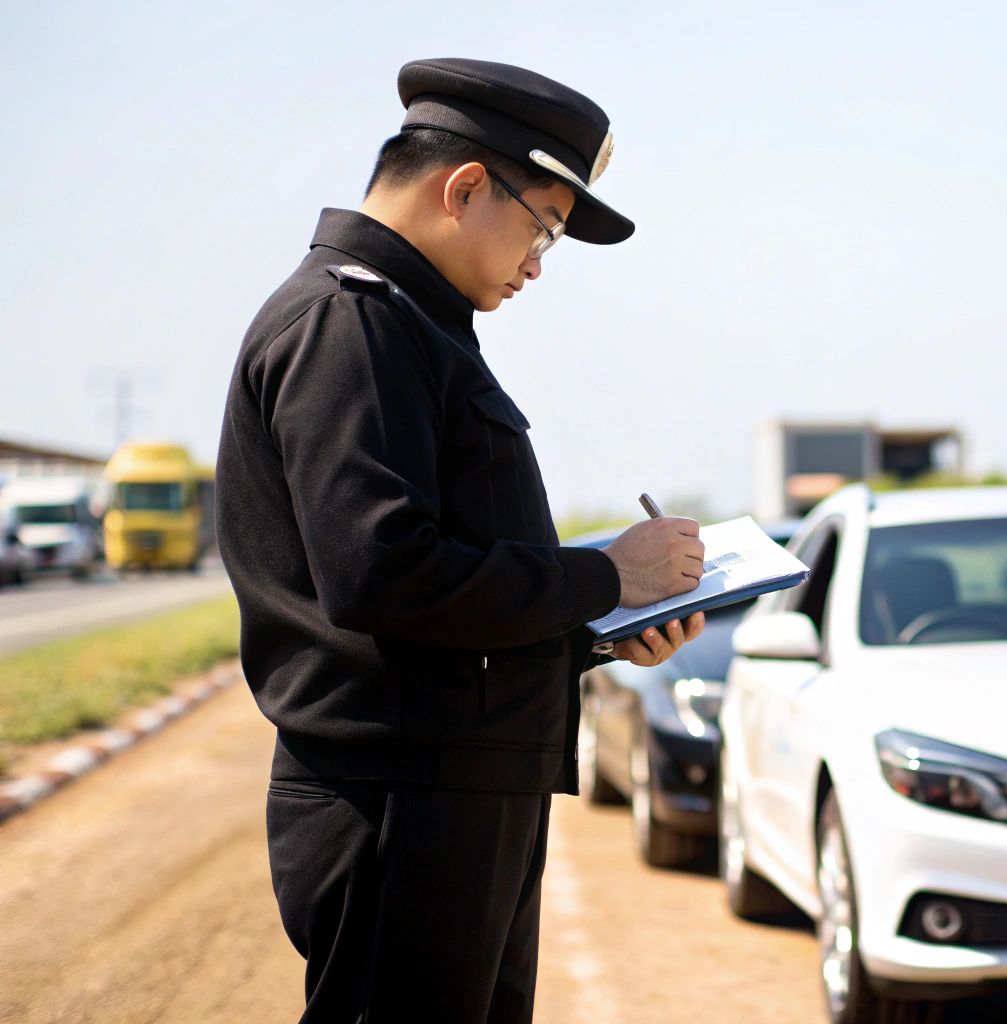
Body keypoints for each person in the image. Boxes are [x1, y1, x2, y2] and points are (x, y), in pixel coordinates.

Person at [214, 57, 705, 1023]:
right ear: (467, 186)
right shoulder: (347, 325)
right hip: (403, 799)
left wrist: (596, 629)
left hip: (454, 786)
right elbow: (381, 574)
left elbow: (437, 599)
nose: (535, 263)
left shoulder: (410, 325)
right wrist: (603, 575)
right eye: (544, 229)